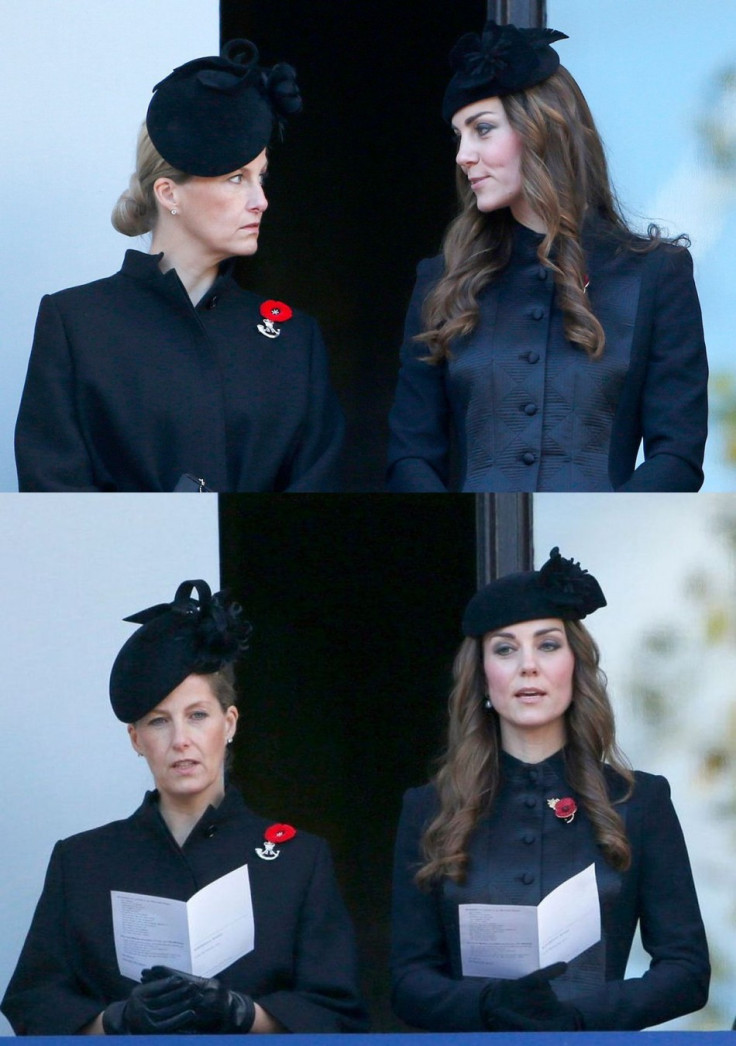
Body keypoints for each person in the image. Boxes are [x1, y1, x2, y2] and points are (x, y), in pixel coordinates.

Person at [1, 580, 368, 1034]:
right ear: (136, 739)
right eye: (158, 721)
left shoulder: (298, 860)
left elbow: (338, 1012)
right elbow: (33, 1003)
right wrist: (117, 1020)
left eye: (197, 715)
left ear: (229, 723)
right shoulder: (81, 861)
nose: (181, 741)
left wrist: (243, 1013)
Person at [391, 548, 710, 1030]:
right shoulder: (428, 808)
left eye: (547, 645)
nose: (528, 666)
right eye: (504, 648)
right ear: (482, 676)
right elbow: (408, 980)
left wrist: (580, 1016)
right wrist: (487, 1005)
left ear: (575, 665)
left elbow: (686, 971)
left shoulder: (640, 801)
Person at [386, 20, 708, 492]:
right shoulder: (441, 282)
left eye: (482, 130)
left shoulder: (656, 273)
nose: (463, 155)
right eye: (458, 136)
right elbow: (411, 456)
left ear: (541, 129)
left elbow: (677, 456)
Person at [15, 41, 344, 492]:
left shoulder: (293, 339)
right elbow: (54, 495)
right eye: (236, 179)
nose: (261, 200)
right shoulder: (76, 324)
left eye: (260, 177)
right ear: (169, 193)